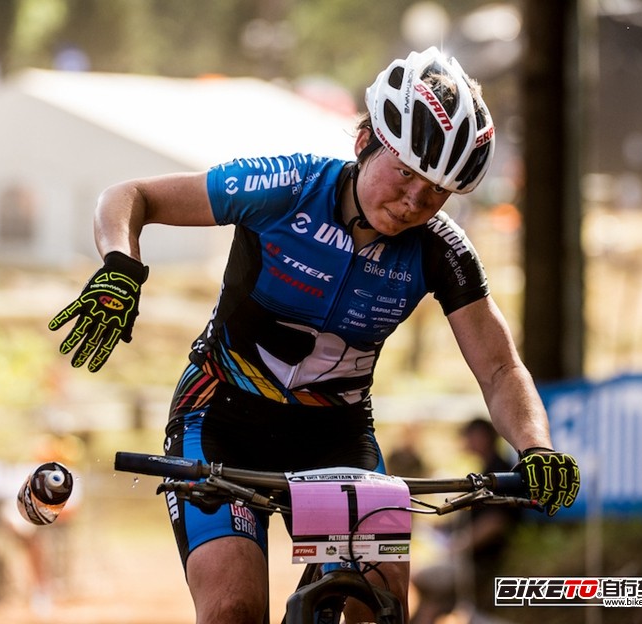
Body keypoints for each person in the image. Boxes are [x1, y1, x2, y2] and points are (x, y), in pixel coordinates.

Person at [48, 47, 581, 624]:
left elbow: (500, 368)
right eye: (405, 172)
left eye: (436, 191)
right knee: (233, 608)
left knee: (377, 605)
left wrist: (536, 447)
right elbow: (130, 196)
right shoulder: (286, 187)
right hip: (223, 418)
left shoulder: (440, 249)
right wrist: (121, 267)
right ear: (365, 142)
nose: (414, 201)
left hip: (335, 436)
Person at [410, 417, 523, 623]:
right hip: (471, 559)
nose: (465, 441)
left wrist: (461, 544)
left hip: (481, 562)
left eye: (469, 436)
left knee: (419, 576)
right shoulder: (488, 471)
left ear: (481, 437)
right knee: (431, 603)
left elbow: (495, 522)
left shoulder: (501, 472)